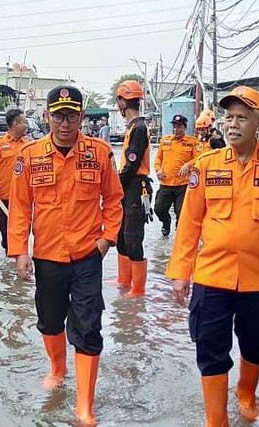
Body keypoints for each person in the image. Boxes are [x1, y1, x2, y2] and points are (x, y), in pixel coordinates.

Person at [166, 86, 259, 425]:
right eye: (228, 118)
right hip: (211, 278)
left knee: (256, 343)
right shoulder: (205, 166)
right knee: (210, 349)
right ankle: (216, 419)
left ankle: (246, 393)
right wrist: (179, 272)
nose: (232, 125)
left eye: (242, 119)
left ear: (258, 124)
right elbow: (189, 224)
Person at [8, 85, 123, 425]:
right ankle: (57, 370)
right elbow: (19, 207)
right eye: (58, 115)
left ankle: (84, 406)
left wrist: (107, 240)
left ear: (82, 117)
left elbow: (114, 200)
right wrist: (20, 252)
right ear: (46, 117)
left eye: (72, 115)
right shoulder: (29, 156)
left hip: (88, 254)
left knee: (88, 327)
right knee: (49, 319)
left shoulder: (100, 153)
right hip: (47, 255)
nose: (65, 123)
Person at [114, 80, 152, 298]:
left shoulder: (138, 128)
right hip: (127, 187)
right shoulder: (133, 127)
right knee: (121, 235)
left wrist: (113, 183)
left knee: (132, 237)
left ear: (121, 102)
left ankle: (138, 289)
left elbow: (132, 165)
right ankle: (123, 279)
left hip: (137, 187)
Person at [0, 109, 30, 252]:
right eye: (24, 122)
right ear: (16, 124)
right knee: (5, 230)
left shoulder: (29, 145)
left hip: (24, 197)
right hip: (4, 197)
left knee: (24, 229)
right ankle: (9, 260)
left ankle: (22, 257)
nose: (27, 125)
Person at [153, 114, 199, 236]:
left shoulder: (192, 142)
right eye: (174, 127)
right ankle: (166, 222)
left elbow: (199, 158)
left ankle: (180, 233)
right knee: (159, 208)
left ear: (184, 128)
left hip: (182, 184)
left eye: (179, 127)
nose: (176, 130)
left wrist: (188, 165)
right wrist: (158, 170)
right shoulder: (165, 141)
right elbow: (158, 159)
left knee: (181, 212)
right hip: (166, 183)